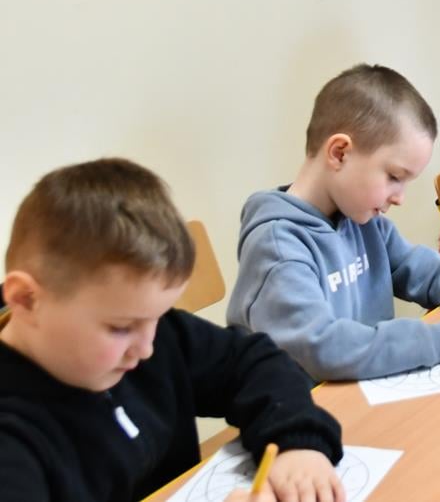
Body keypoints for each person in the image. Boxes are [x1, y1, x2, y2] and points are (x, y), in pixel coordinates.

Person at [1, 158, 345, 502]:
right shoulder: (14, 439)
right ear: (26, 299)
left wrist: (297, 443)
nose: (147, 348)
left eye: (157, 317)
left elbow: (252, 362)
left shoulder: (159, 336)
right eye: (121, 328)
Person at [227, 64, 440, 382]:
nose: (400, 198)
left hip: (363, 392)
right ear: (339, 153)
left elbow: (431, 273)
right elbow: (322, 346)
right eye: (394, 176)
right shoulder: (278, 244)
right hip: (305, 416)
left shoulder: (363, 222)